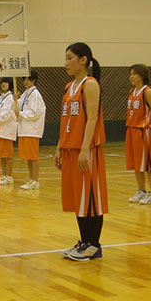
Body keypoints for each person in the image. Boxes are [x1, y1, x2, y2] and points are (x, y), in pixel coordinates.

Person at [55, 42, 107, 261]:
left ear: (83, 60)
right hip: (69, 149)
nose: (66, 62)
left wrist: (85, 149)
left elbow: (92, 119)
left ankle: (94, 245)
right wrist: (59, 147)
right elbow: (65, 120)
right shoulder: (69, 87)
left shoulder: (90, 84)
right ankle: (84, 241)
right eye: (65, 58)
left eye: (70, 58)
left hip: (86, 150)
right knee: (79, 198)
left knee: (90, 198)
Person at [125, 64, 151, 204]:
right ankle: (141, 190)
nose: (131, 76)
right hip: (132, 130)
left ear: (142, 76)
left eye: (135, 74)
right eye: (130, 74)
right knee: (137, 163)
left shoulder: (148, 92)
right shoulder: (132, 91)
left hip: (145, 130)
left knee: (148, 163)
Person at [17, 70, 46, 190]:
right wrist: (15, 99)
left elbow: (35, 112)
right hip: (24, 129)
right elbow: (17, 107)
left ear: (34, 80)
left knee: (33, 156)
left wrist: (21, 114)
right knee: (28, 157)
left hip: (32, 129)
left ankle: (35, 180)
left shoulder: (35, 94)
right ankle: (31, 179)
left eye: (28, 79)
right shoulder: (25, 94)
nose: (26, 81)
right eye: (24, 79)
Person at [0, 77, 18, 185]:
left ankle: (9, 176)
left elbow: (6, 115)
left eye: (6, 82)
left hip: (7, 130)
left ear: (10, 85)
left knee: (7, 155)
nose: (3, 84)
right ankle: (4, 175)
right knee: (2, 155)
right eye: (2, 82)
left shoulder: (11, 98)